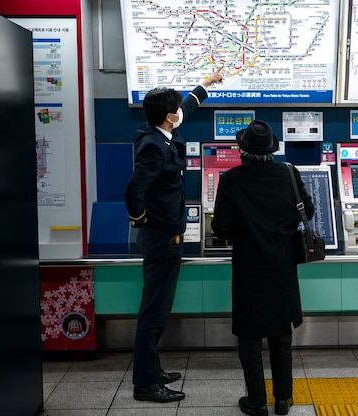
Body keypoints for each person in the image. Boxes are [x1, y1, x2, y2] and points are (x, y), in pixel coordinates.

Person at [124, 67, 223, 403]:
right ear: (168, 117)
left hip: (165, 237)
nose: (182, 112)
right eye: (176, 110)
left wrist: (205, 85)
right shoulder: (154, 147)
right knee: (153, 312)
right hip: (162, 237)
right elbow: (133, 191)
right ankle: (146, 383)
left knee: (158, 309)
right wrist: (140, 220)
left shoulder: (159, 131)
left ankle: (152, 370)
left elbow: (188, 106)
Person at [211, 120, 315, 416]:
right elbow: (306, 211)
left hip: (248, 268)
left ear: (242, 150)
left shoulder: (231, 180)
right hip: (282, 266)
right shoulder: (288, 173)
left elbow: (221, 227)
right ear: (272, 149)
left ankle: (256, 402)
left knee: (250, 337)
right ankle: (283, 399)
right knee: (281, 335)